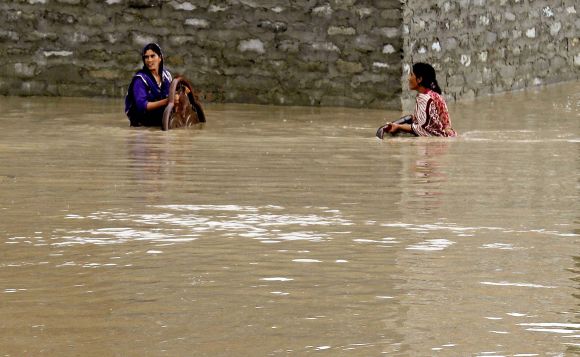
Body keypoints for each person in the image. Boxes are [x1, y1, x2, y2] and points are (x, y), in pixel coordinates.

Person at [377, 63, 456, 138]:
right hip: (448, 136)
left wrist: (398, 126)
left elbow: (422, 129)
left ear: (419, 79)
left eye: (411, 75)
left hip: (436, 143)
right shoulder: (434, 95)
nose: (409, 78)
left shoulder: (425, 98)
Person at [124, 43, 173, 127]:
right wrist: (168, 100)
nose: (149, 60)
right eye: (146, 57)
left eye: (152, 56)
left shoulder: (166, 76)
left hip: (159, 112)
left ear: (160, 58)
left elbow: (171, 92)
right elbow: (142, 105)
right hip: (141, 118)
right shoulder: (140, 79)